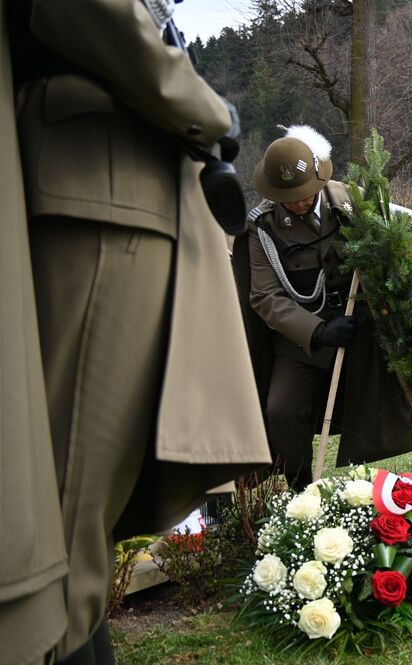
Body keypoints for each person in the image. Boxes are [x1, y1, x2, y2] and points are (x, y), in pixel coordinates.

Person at [4, 2, 273, 662]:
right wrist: (205, 107)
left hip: (116, 197)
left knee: (79, 539)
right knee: (61, 549)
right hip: (102, 202)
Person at [237, 127, 412, 518]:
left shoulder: (350, 200)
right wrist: (317, 331)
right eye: (289, 199)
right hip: (302, 342)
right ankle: (302, 494)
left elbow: (395, 248)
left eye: (306, 192)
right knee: (281, 410)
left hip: (367, 331)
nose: (299, 203)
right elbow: (264, 296)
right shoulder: (262, 228)